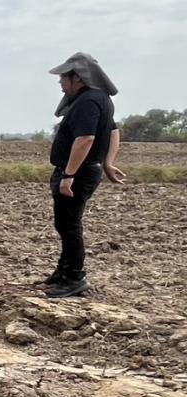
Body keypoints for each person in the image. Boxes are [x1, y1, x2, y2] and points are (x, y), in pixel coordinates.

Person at [44, 52, 123, 298]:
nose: (60, 82)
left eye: (63, 77)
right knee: (66, 223)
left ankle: (75, 277)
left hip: (77, 173)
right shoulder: (100, 99)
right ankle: (64, 271)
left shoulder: (88, 101)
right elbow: (113, 131)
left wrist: (69, 175)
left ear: (77, 77)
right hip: (85, 170)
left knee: (69, 225)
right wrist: (108, 163)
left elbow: (86, 138)